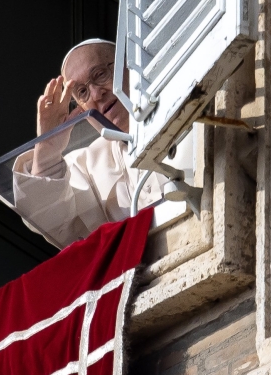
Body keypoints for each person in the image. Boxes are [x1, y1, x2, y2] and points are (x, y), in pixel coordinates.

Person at [12, 39, 166, 248]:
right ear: (81, 109)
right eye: (83, 92)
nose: (96, 94)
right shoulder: (87, 165)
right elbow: (56, 224)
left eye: (100, 74)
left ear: (129, 65)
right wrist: (47, 148)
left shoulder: (183, 105)